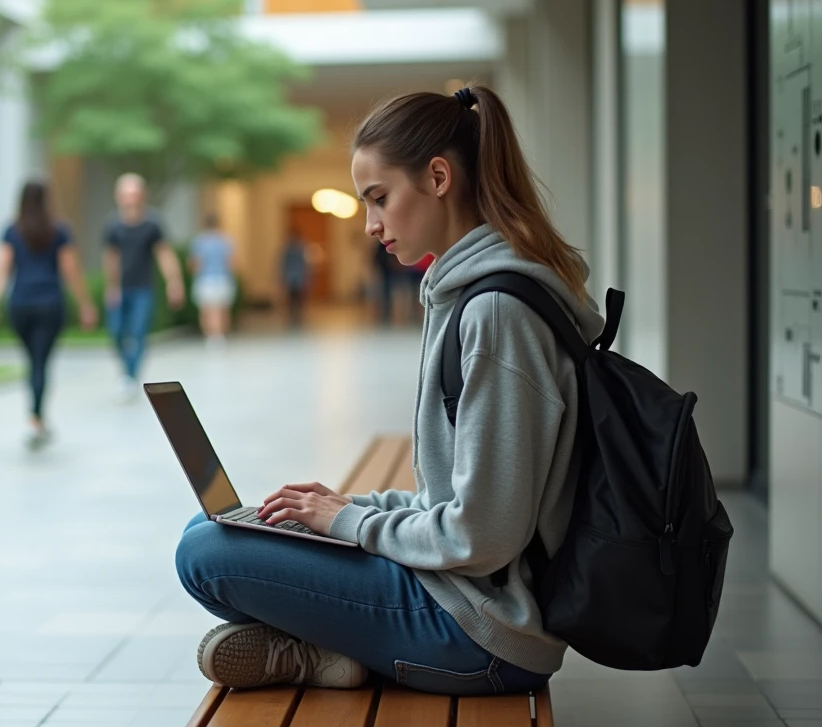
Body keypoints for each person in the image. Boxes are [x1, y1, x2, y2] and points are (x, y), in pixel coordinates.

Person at [174, 86, 606, 695]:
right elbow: (458, 500)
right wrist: (349, 510)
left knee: (205, 557)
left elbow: (483, 536)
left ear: (437, 177)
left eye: (379, 199)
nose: (371, 226)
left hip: (482, 632)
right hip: (458, 591)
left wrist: (348, 522)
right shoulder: (466, 292)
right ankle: (327, 653)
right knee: (210, 529)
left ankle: (316, 649)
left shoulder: (497, 313)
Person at [0, 181, 97, 449]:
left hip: (20, 304)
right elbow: (71, 270)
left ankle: (35, 416)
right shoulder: (59, 230)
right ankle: (36, 417)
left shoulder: (12, 231)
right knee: (41, 362)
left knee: (32, 361)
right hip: (49, 304)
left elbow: (2, 269)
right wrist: (85, 304)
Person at [102, 173, 185, 401]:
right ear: (119, 197)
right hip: (120, 289)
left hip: (143, 289)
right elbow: (111, 258)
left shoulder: (152, 224)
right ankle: (127, 372)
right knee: (117, 333)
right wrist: (111, 286)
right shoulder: (113, 225)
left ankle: (130, 377)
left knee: (138, 334)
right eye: (126, 194)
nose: (130, 198)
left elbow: (164, 254)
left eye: (134, 193)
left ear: (142, 196)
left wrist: (174, 282)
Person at [189, 214, 237, 348]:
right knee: (222, 310)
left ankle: (211, 336)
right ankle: (220, 335)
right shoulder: (225, 241)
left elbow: (196, 263)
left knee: (206, 310)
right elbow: (231, 263)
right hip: (223, 279)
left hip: (205, 279)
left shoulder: (199, 241)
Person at [279, 228, 309, 329]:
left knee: (299, 297)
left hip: (299, 276)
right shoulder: (287, 249)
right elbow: (283, 263)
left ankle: (298, 314)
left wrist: (306, 276)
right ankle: (292, 314)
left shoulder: (302, 249)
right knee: (291, 296)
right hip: (291, 276)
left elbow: (305, 264)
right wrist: (282, 276)